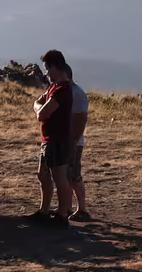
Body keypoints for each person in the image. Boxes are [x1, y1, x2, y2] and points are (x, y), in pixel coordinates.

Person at [42, 49, 94, 221]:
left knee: (72, 175)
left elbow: (81, 120)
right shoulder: (63, 91)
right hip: (66, 140)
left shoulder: (76, 94)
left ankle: (82, 208)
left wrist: (73, 141)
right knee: (64, 175)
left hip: (72, 141)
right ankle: (68, 206)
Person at [30, 51, 78, 225]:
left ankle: (62, 215)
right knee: (43, 174)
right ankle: (44, 211)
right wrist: (39, 107)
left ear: (55, 67)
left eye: (47, 69)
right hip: (48, 139)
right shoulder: (53, 87)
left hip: (58, 140)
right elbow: (40, 105)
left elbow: (41, 113)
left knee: (59, 178)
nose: (46, 73)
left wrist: (37, 108)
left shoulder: (62, 90)